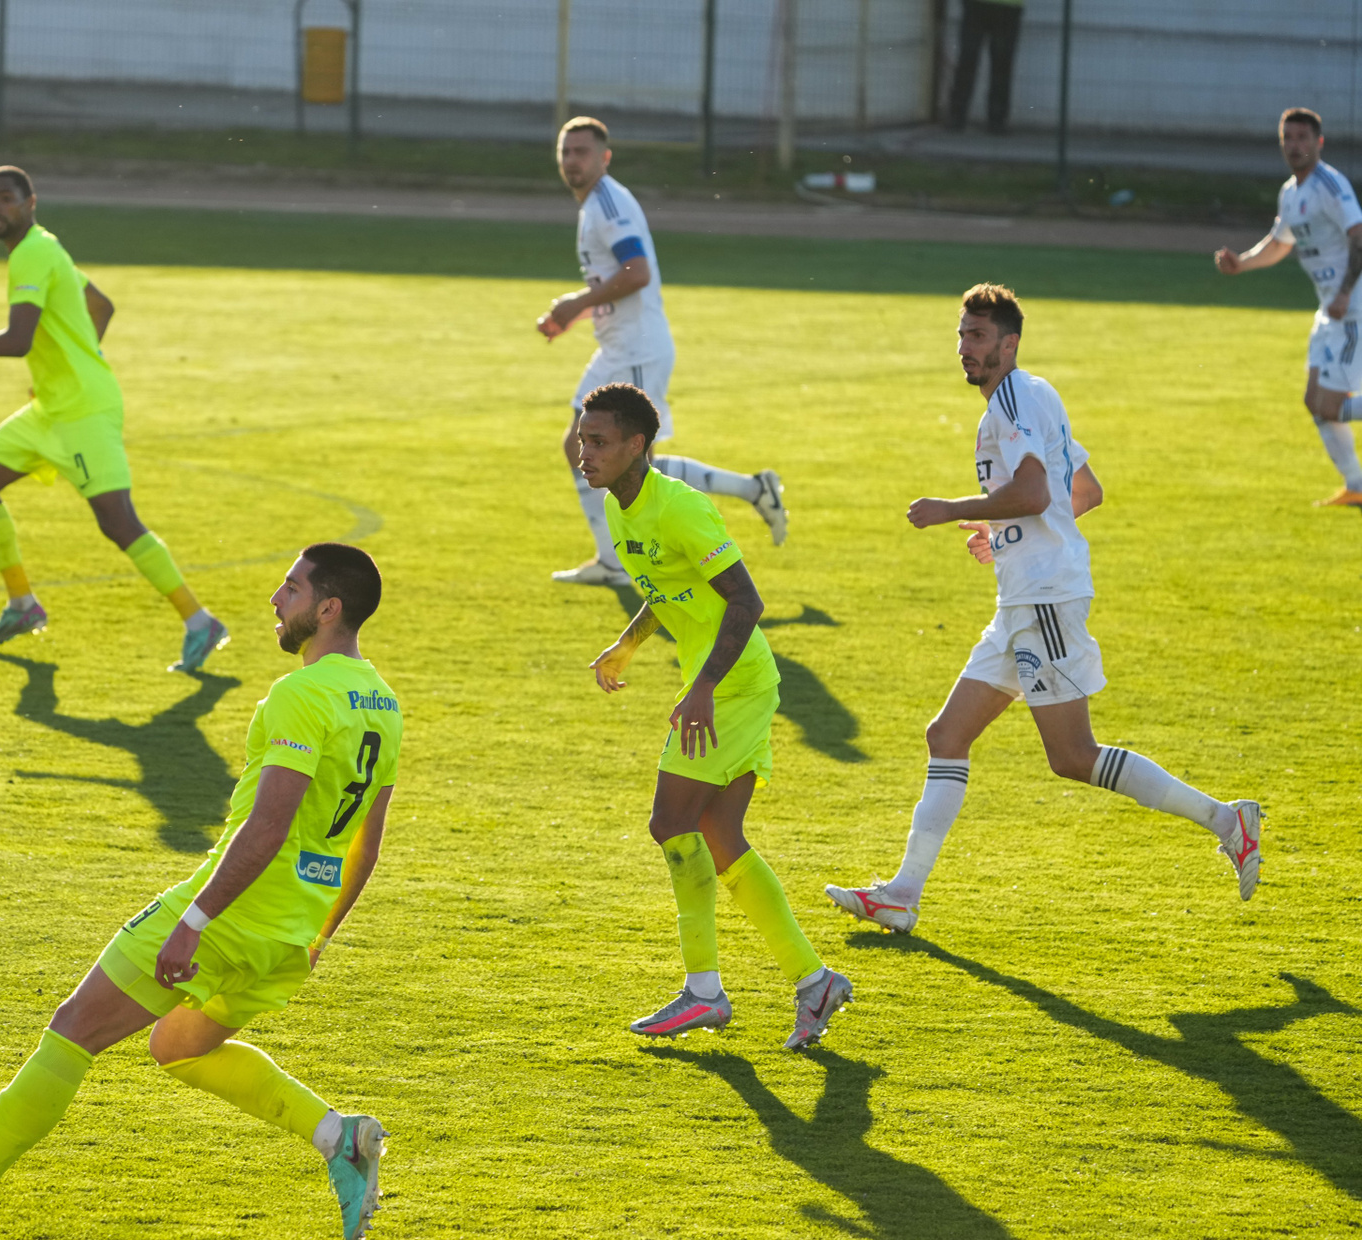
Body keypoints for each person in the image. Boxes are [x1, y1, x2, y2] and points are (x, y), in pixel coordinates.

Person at [0, 544, 401, 1240]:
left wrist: (195, 920)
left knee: (74, 1029)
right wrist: (319, 935)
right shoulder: (384, 704)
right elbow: (366, 844)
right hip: (290, 934)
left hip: (232, 916)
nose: (276, 598)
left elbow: (268, 827)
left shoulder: (301, 695)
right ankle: (340, 1138)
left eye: (292, 588)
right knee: (179, 1046)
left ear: (328, 608)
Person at [824, 285, 1262, 936]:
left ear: (1009, 344)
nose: (965, 347)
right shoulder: (1034, 394)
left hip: (1045, 597)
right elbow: (1083, 490)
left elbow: (1033, 493)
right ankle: (902, 895)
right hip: (1023, 600)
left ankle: (1228, 820)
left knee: (1073, 756)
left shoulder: (1012, 399)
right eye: (961, 334)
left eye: (978, 336)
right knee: (947, 736)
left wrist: (952, 510)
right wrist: (1000, 532)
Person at [580, 382, 851, 1050]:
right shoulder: (619, 504)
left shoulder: (680, 508)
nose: (584, 454)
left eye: (599, 442)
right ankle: (814, 981)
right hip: (727, 684)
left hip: (732, 687)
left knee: (670, 822)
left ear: (637, 445)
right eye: (582, 440)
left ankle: (704, 992)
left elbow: (746, 602)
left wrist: (702, 687)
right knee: (719, 835)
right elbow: (668, 590)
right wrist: (627, 644)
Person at [0, 165, 229, 665]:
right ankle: (22, 605)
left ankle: (200, 622)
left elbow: (19, 341)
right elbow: (102, 307)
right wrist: (70, 364)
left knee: (118, 522)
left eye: (5, 198)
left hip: (83, 411)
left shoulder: (32, 253)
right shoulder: (47, 247)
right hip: (51, 408)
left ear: (31, 202)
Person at [538, 117, 787, 587]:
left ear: (604, 157)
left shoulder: (607, 204)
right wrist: (574, 311)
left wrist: (578, 302)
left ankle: (753, 490)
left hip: (637, 349)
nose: (572, 160)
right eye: (565, 151)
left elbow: (637, 273)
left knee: (634, 465)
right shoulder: (594, 206)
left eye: (582, 152)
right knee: (580, 446)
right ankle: (613, 562)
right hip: (620, 346)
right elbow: (619, 283)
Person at [1216, 107, 1362, 508]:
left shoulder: (1330, 184)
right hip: (1328, 312)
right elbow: (1280, 243)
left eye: (1302, 138)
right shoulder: (1291, 193)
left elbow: (1359, 234)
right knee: (1315, 403)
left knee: (1331, 405)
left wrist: (1345, 292)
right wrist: (1242, 263)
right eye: (1288, 138)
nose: (1294, 146)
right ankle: (1356, 486)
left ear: (1319, 142)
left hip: (1353, 309)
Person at [946, 0, 1024, 135]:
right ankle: (997, 121)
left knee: (968, 60)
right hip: (1007, 7)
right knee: (1001, 65)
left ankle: (957, 117)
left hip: (979, 5)